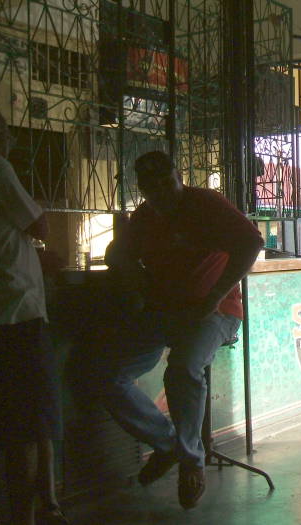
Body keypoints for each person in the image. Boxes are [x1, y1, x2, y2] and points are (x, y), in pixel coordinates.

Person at [87, 151, 263, 509]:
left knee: (183, 367)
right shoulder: (145, 217)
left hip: (213, 312)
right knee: (105, 374)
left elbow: (252, 243)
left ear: (179, 177)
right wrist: (139, 284)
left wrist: (214, 295)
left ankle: (190, 462)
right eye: (152, 188)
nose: (162, 192)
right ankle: (167, 444)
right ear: (143, 190)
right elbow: (116, 254)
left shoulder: (207, 204)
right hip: (163, 312)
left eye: (167, 183)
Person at [0, 111, 69, 524]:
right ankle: (32, 512)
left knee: (23, 422)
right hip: (17, 313)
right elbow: (38, 224)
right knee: (31, 422)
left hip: (7, 313)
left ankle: (43, 505)